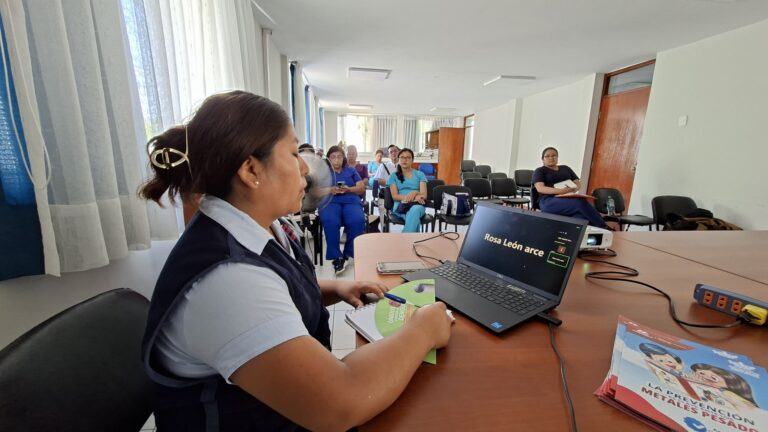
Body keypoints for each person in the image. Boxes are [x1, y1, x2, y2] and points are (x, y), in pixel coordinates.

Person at [138, 91, 453, 432]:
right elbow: (341, 403)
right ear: (250, 169)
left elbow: (278, 285)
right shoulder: (228, 281)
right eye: (292, 153)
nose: (305, 167)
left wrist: (333, 288)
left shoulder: (259, 225)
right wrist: (422, 331)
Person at [532, 147, 608, 228]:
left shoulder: (565, 168)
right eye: (547, 156)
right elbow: (540, 188)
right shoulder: (540, 171)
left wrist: (574, 189)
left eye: (554, 155)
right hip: (548, 201)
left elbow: (577, 182)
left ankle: (593, 233)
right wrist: (561, 191)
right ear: (543, 159)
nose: (551, 158)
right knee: (579, 203)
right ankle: (604, 227)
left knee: (582, 216)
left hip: (567, 197)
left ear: (557, 157)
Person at [318, 145, 366, 274]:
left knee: (357, 220)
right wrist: (330, 189)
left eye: (339, 156)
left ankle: (348, 254)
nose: (336, 159)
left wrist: (349, 189)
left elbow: (361, 188)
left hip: (351, 201)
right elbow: (315, 191)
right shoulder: (323, 172)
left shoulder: (350, 170)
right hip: (330, 201)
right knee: (331, 221)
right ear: (328, 158)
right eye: (333, 156)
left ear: (343, 158)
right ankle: (336, 257)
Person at [387, 148, 428, 232]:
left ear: (412, 160)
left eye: (408, 157)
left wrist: (415, 192)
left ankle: (404, 239)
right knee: (414, 218)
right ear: (398, 159)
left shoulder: (420, 174)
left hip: (417, 205)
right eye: (402, 157)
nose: (404, 160)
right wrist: (412, 197)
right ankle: (411, 239)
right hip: (401, 206)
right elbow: (395, 196)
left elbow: (424, 195)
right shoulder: (393, 176)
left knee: (415, 210)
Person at [689, 363, 759, 410]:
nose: (706, 379)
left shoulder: (727, 393)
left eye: (713, 378)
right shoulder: (718, 390)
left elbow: (750, 409)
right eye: (701, 374)